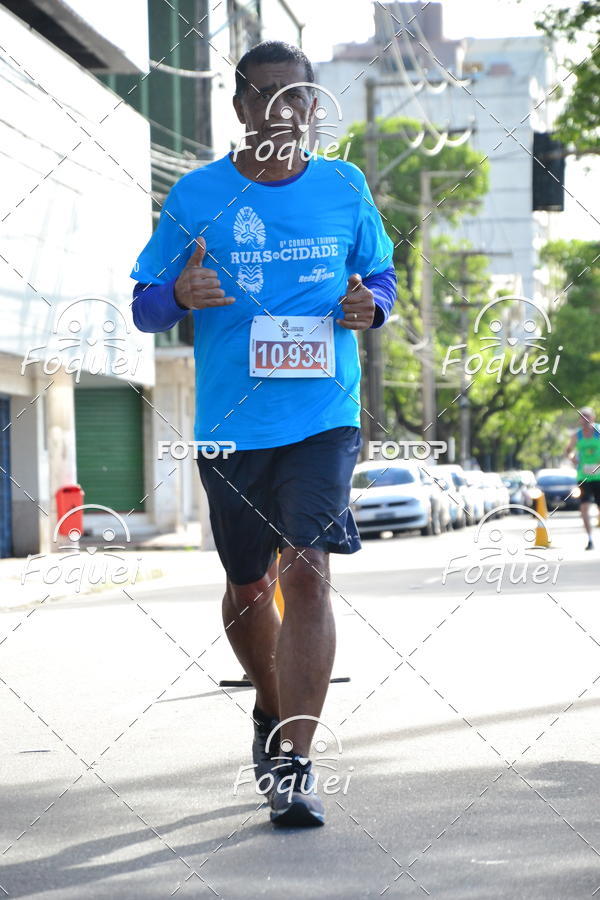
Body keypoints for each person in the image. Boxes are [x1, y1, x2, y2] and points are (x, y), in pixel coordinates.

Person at [130, 40, 396, 827]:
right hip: (231, 423)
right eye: (270, 96)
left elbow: (378, 277)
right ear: (241, 107)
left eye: (301, 98)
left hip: (323, 413)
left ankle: (295, 759)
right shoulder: (197, 193)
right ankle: (269, 712)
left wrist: (369, 306)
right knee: (250, 585)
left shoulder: (345, 187)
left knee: (308, 570)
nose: (287, 110)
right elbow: (145, 304)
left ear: (315, 110)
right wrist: (179, 289)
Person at [566, 406, 600, 550]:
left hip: (599, 476)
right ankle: (590, 539)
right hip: (584, 477)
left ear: (593, 418)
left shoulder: (598, 432)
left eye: (588, 416)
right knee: (584, 507)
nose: (585, 419)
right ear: (580, 419)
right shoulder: (577, 435)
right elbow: (568, 451)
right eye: (582, 416)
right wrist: (572, 458)